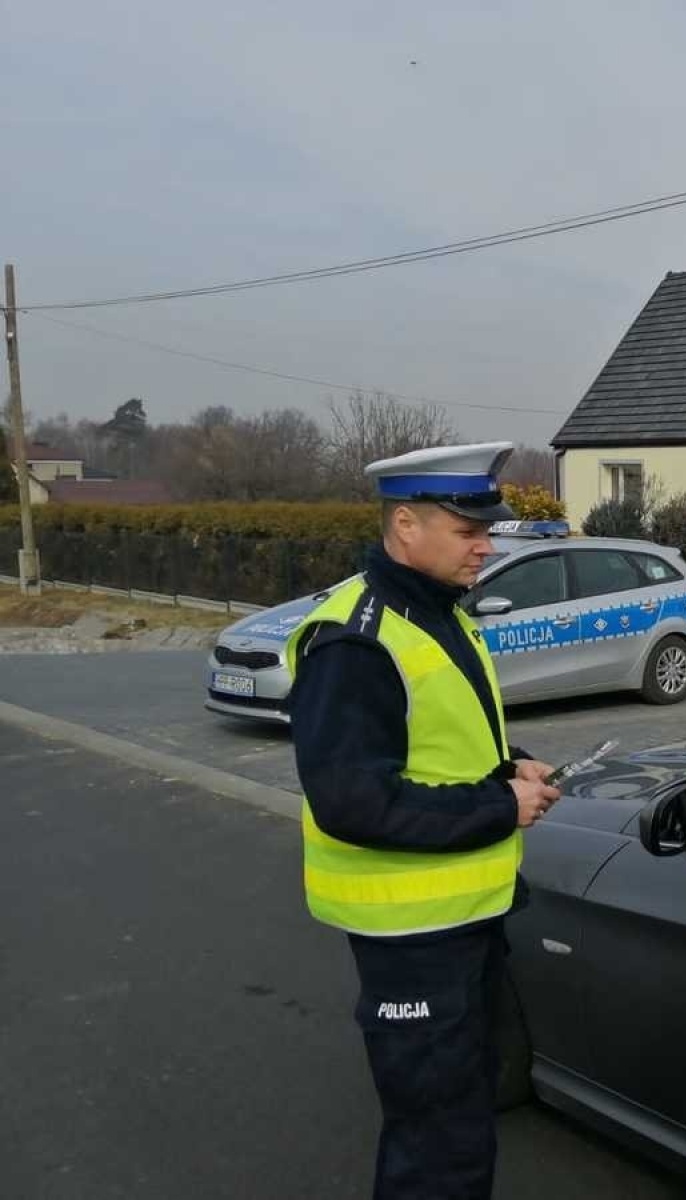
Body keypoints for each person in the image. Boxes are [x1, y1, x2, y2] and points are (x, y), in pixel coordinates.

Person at [285, 441, 562, 1200]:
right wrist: (500, 806)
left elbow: (437, 747)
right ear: (405, 525)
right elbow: (353, 801)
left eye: (487, 529)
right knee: (435, 1145)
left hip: (463, 923)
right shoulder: (356, 638)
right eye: (467, 531)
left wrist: (512, 766)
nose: (487, 545)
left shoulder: (438, 613)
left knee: (462, 1125)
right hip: (411, 942)